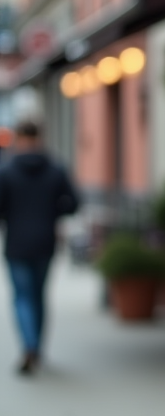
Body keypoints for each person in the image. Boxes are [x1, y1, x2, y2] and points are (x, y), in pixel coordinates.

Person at [0, 120, 79, 375]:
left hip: (17, 243)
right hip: (46, 241)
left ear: (19, 139)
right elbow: (74, 203)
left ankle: (30, 346)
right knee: (38, 295)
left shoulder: (7, 171)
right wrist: (53, 212)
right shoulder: (55, 169)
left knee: (22, 296)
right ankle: (36, 348)